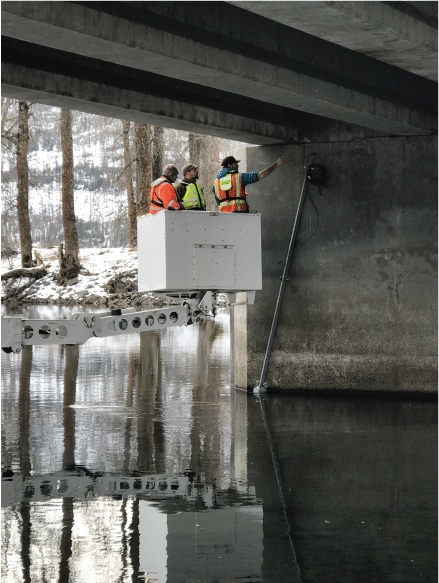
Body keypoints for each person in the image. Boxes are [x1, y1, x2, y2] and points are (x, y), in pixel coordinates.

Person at [212, 155, 285, 213]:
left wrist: (234, 197)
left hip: (224, 216)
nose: (237, 165)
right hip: (240, 214)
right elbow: (261, 175)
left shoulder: (216, 182)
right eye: (235, 164)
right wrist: (276, 164)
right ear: (229, 165)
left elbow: (219, 200)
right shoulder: (240, 177)